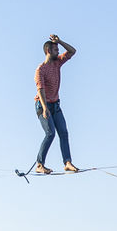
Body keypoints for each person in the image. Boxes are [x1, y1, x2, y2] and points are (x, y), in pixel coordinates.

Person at [33, 33, 78, 174]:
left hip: (55, 105)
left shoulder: (57, 63)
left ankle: (67, 162)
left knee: (63, 132)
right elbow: (40, 90)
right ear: (48, 51)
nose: (58, 52)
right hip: (42, 105)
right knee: (50, 133)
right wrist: (45, 108)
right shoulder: (41, 69)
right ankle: (40, 164)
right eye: (56, 49)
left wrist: (60, 41)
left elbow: (72, 51)